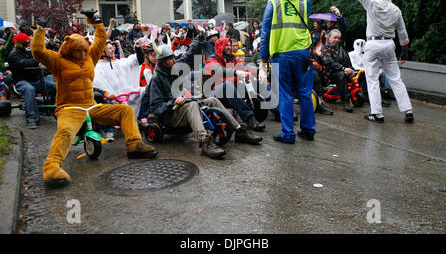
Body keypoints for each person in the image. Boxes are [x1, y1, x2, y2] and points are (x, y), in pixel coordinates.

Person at [31, 12, 157, 188]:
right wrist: (40, 30)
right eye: (78, 51)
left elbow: (100, 39)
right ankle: (51, 167)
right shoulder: (57, 61)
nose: (83, 54)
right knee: (65, 131)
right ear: (69, 50)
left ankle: (134, 145)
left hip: (91, 106)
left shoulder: (90, 56)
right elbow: (38, 52)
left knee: (125, 110)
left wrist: (96, 21)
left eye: (84, 50)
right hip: (69, 108)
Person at [149, 44, 261, 160]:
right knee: (192, 105)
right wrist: (172, 102)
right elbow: (156, 107)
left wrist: (200, 39)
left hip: (181, 107)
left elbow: (188, 56)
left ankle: (239, 130)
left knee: (212, 100)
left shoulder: (173, 70)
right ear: (162, 61)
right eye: (171, 58)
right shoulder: (156, 79)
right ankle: (205, 142)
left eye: (174, 57)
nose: (174, 60)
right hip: (170, 115)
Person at [331, 0, 413, 123]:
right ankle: (408, 111)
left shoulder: (372, 3)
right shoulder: (396, 9)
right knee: (396, 78)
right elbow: (402, 32)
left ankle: (377, 114)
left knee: (372, 79)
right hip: (389, 44)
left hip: (373, 44)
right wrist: (404, 52)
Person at [259, 0, 316, 143]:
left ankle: (288, 134)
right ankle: (308, 130)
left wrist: (263, 57)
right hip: (302, 52)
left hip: (281, 54)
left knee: (285, 93)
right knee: (305, 93)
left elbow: (265, 33)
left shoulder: (273, 3)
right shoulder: (305, 1)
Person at [205, 38, 266, 132]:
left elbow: (243, 67)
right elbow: (220, 71)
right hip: (213, 94)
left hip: (229, 91)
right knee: (228, 84)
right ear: (221, 47)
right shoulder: (211, 60)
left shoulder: (232, 59)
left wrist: (257, 72)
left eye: (230, 45)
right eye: (227, 45)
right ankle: (249, 118)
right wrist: (236, 72)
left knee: (254, 82)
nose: (230, 47)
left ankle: (277, 110)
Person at [7, 32, 56, 128]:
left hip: (35, 81)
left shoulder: (28, 51)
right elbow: (25, 63)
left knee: (54, 86)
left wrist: (51, 40)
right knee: (29, 89)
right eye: (26, 42)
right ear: (19, 43)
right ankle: (32, 118)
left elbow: (43, 50)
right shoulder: (13, 55)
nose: (28, 44)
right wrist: (37, 59)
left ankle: (52, 107)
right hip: (21, 82)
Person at [320, 29, 354, 113]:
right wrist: (343, 68)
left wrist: (351, 70)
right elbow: (328, 61)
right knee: (341, 74)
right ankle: (346, 101)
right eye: (335, 37)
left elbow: (347, 61)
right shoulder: (325, 48)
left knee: (362, 74)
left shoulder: (340, 48)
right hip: (329, 75)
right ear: (329, 37)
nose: (337, 40)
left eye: (338, 38)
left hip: (343, 71)